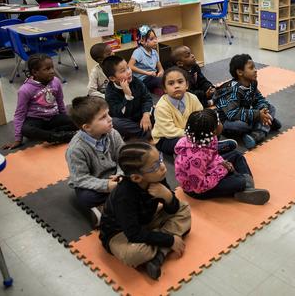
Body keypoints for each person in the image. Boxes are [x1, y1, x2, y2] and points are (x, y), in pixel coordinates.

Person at [99, 142, 191, 280]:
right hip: (120, 233)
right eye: (155, 166)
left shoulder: (157, 177)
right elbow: (133, 234)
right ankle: (164, 245)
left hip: (146, 221)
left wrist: (167, 196)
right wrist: (169, 240)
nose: (162, 166)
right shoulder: (124, 195)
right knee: (134, 255)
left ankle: (158, 255)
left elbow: (174, 209)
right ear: (136, 178)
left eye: (160, 159)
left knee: (183, 208)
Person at [174, 109, 270, 205]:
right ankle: (244, 186)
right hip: (197, 189)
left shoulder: (206, 137)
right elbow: (200, 187)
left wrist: (221, 162)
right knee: (240, 181)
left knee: (236, 155)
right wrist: (223, 170)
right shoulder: (194, 159)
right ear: (214, 130)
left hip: (208, 170)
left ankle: (247, 188)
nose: (220, 123)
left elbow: (213, 155)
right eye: (218, 121)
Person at [66, 96, 124, 227]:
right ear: (87, 127)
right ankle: (118, 200)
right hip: (95, 183)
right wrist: (106, 186)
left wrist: (121, 175)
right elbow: (80, 179)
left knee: (140, 167)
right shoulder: (75, 149)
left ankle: (110, 205)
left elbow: (124, 157)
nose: (110, 119)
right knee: (86, 197)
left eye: (108, 113)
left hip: (116, 176)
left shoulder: (113, 133)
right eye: (103, 117)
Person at [2, 54, 76, 150]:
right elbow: (19, 114)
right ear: (35, 72)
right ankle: (57, 137)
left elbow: (60, 102)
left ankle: (54, 132)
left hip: (53, 117)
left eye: (52, 67)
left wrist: (66, 118)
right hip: (35, 120)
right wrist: (18, 140)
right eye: (47, 69)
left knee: (77, 120)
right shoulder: (25, 90)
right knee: (26, 129)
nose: (52, 71)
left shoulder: (56, 81)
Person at [214, 54, 281, 149]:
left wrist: (263, 109)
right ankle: (266, 124)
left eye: (255, 67)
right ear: (240, 72)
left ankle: (258, 132)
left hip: (244, 113)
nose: (255, 70)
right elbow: (232, 114)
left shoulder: (252, 83)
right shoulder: (233, 90)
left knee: (271, 107)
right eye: (251, 68)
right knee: (243, 126)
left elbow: (259, 98)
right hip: (227, 121)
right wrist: (257, 114)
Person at [152, 67, 204, 157]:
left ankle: (199, 149)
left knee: (210, 130)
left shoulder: (193, 98)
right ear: (164, 89)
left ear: (187, 85)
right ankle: (204, 149)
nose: (176, 86)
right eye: (171, 83)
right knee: (184, 143)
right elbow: (169, 131)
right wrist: (192, 135)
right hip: (166, 138)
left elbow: (201, 117)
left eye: (180, 82)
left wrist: (201, 131)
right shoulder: (161, 106)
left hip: (190, 134)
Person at [102, 55, 153, 140]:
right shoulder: (110, 93)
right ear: (112, 78)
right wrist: (127, 96)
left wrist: (146, 115)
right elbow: (120, 114)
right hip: (127, 120)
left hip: (141, 114)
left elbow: (147, 98)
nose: (129, 72)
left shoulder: (136, 81)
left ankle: (143, 131)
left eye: (128, 68)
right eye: (123, 71)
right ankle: (146, 133)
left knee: (157, 109)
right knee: (114, 123)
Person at [128, 26, 164, 93]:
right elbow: (130, 66)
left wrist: (161, 72)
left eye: (155, 38)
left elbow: (161, 68)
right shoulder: (138, 52)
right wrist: (147, 73)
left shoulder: (154, 52)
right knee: (160, 81)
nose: (155, 41)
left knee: (168, 76)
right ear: (142, 41)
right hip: (142, 80)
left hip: (152, 77)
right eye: (151, 39)